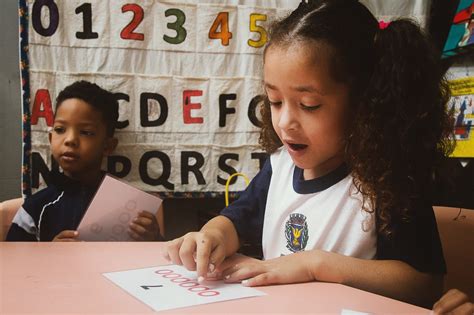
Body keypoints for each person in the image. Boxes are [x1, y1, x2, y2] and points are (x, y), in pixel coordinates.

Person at [164, 0, 454, 308]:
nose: (285, 121)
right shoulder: (279, 169)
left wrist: (315, 265)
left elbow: (424, 284)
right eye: (275, 101)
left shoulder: (388, 179)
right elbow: (235, 221)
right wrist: (211, 236)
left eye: (309, 105)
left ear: (365, 103)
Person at [6, 80, 163, 241]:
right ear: (50, 138)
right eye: (60, 129)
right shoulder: (36, 207)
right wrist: (49, 253)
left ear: (108, 146)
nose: (70, 140)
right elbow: (13, 262)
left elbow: (159, 261)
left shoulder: (130, 206)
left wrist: (154, 238)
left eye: (86, 132)